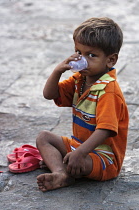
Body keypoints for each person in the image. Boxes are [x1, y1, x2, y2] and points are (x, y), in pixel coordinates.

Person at [36, 17, 129, 192]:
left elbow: (106, 129)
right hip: (79, 147)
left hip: (104, 159)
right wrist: (57, 70)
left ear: (111, 60)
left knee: (76, 160)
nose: (82, 60)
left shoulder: (108, 91)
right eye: (79, 52)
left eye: (91, 55)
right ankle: (61, 173)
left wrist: (79, 154)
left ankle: (66, 168)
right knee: (44, 137)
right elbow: (49, 94)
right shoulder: (80, 80)